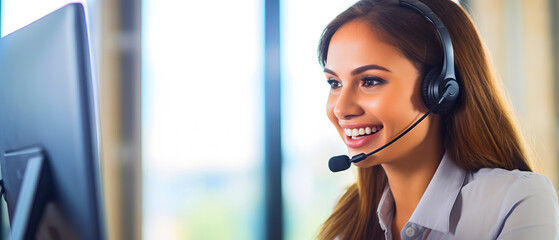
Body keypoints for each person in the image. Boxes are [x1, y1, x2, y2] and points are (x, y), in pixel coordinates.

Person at [316, 0, 559, 239]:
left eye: (370, 81)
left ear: (441, 90)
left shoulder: (515, 201)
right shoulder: (348, 217)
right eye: (334, 83)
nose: (341, 108)